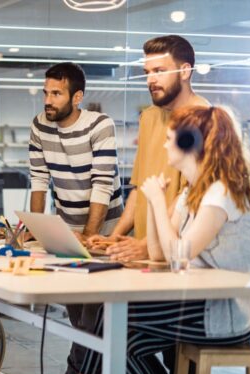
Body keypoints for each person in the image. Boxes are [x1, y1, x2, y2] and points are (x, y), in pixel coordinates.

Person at [30, 105, 250, 374]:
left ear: (190, 144)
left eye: (170, 139)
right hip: (201, 301)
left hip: (229, 312)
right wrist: (147, 229)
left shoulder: (220, 192)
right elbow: (161, 252)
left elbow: (178, 256)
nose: (164, 145)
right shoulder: (192, 191)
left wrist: (157, 203)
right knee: (119, 336)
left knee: (117, 336)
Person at [28, 61, 123, 374]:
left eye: (56, 93)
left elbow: (102, 183)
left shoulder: (100, 125)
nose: (48, 100)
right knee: (76, 315)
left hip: (107, 230)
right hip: (67, 228)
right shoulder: (40, 125)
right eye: (46, 92)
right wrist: (37, 229)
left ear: (77, 97)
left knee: (95, 315)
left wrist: (90, 235)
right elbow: (39, 178)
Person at [87, 35, 209, 261]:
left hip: (177, 254)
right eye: (147, 73)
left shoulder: (204, 119)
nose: (150, 80)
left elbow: (187, 197)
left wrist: (147, 246)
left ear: (184, 71)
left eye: (159, 71)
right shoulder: (149, 117)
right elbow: (138, 189)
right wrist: (115, 237)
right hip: (142, 251)